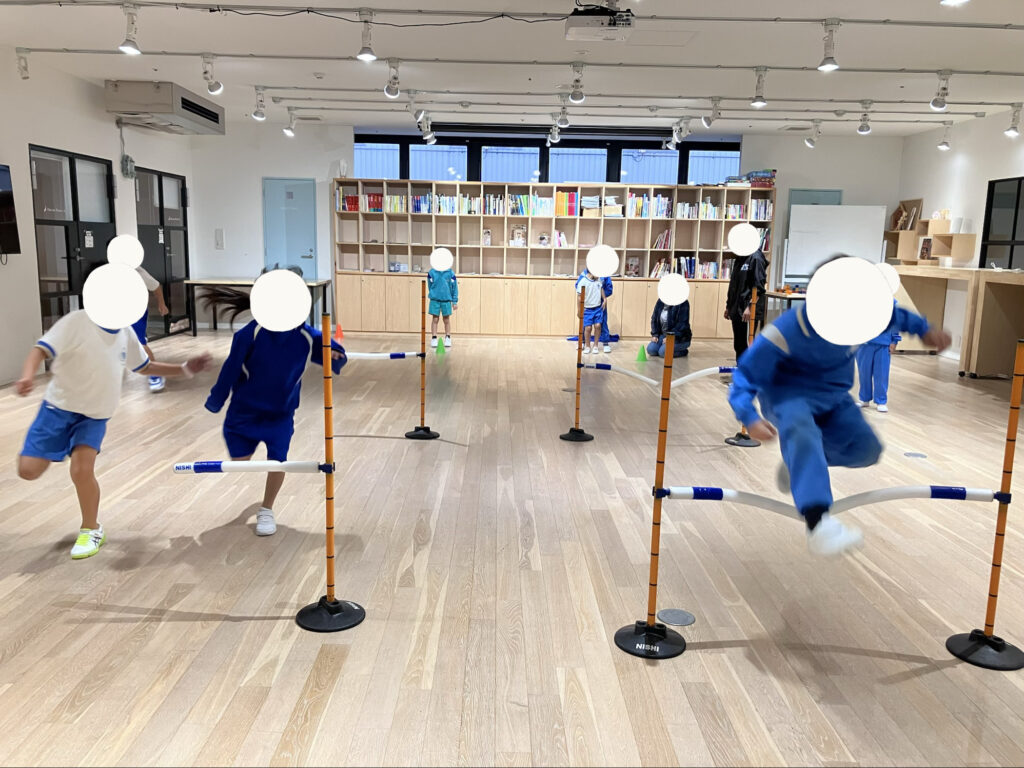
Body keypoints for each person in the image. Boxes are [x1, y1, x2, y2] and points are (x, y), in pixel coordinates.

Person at [728, 259, 951, 556]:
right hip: (787, 396)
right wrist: (750, 417)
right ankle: (818, 524)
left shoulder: (865, 313)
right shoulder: (785, 331)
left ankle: (799, 464)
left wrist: (925, 330)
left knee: (867, 450)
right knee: (803, 433)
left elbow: (896, 315)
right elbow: (744, 376)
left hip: (834, 396)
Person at [15, 310, 212, 560]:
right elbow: (40, 350)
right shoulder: (76, 321)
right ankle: (55, 449)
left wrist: (184, 369)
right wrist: (27, 375)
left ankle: (91, 529)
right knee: (28, 470)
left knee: (81, 470)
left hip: (94, 415)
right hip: (57, 408)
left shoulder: (125, 332)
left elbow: (145, 366)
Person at [202, 288, 347, 536]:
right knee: (239, 464)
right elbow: (230, 369)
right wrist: (216, 400)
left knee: (278, 461)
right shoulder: (250, 334)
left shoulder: (307, 336)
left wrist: (335, 355)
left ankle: (267, 509)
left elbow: (338, 357)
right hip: (244, 413)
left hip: (281, 415)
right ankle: (256, 489)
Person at [724, 246, 768, 360]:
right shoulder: (740, 258)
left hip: (748, 310)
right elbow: (733, 284)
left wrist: (750, 307)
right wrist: (728, 306)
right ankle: (740, 367)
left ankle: (748, 369)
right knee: (739, 343)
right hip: (736, 307)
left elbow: (759, 286)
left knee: (748, 344)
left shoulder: (756, 258)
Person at [131, 265, 170, 392]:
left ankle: (155, 375)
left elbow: (155, 286)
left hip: (135, 309)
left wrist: (161, 304)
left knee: (139, 343)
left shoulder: (136, 269)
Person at [856, 300, 900, 413]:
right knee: (864, 372)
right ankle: (864, 399)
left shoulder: (891, 302)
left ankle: (881, 401)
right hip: (864, 342)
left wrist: (894, 340)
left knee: (881, 373)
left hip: (884, 343)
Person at [576, 270, 614, 352]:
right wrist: (579, 310)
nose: (599, 276)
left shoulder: (599, 280)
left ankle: (596, 345)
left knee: (598, 325)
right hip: (587, 308)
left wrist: (604, 298)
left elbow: (602, 288)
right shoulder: (583, 280)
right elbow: (579, 295)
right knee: (588, 327)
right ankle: (586, 345)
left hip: (598, 307)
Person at [428, 266, 458, 348]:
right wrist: (434, 294)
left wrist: (454, 301)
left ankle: (448, 337)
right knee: (435, 319)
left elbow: (454, 287)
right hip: (435, 300)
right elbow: (430, 286)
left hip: (446, 300)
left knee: (446, 319)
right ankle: (434, 338)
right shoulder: (431, 272)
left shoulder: (450, 273)